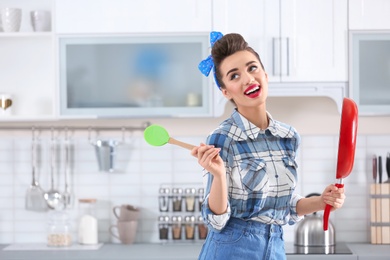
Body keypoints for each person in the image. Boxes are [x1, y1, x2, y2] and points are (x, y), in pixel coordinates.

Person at [191, 31, 346, 260]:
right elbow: (216, 220)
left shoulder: (288, 136)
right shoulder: (223, 138)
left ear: (265, 74)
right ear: (226, 92)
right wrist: (219, 176)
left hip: (275, 246)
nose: (248, 79)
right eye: (234, 76)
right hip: (231, 247)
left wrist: (322, 202)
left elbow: (285, 205)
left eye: (252, 68)